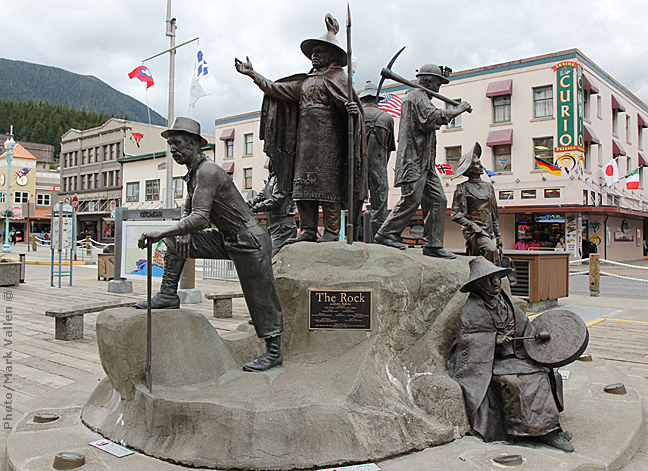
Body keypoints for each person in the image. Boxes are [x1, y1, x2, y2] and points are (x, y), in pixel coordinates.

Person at [135, 117, 284, 372]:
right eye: (170, 144)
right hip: (227, 238)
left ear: (193, 144)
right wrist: (178, 233)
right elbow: (188, 210)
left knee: (260, 298)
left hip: (249, 240)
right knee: (174, 239)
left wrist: (161, 232)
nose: (172, 149)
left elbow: (201, 217)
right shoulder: (193, 173)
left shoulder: (209, 171)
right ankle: (168, 295)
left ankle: (273, 352)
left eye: (177, 144)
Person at [235, 13, 366, 244]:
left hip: (329, 143)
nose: (314, 55)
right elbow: (275, 89)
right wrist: (253, 74)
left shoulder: (340, 78)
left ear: (333, 55)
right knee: (303, 189)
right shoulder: (305, 81)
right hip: (305, 145)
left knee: (328, 188)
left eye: (320, 51)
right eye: (313, 51)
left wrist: (352, 113)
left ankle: (332, 232)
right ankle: (307, 229)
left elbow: (350, 111)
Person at [447, 256, 573, 452]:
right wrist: (492, 340)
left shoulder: (505, 301)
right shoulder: (472, 309)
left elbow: (524, 326)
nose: (495, 282)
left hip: (516, 357)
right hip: (491, 362)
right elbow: (463, 341)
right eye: (489, 279)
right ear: (479, 285)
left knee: (542, 372)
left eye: (497, 277)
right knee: (516, 382)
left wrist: (535, 336)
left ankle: (550, 430)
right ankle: (530, 431)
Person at [374, 63, 471, 258]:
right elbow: (431, 119)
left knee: (438, 200)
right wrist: (457, 110)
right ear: (427, 81)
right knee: (411, 198)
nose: (437, 89)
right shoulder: (416, 96)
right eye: (437, 84)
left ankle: (433, 245)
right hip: (413, 161)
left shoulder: (421, 97)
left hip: (426, 163)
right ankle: (386, 234)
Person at [451, 142, 501, 265]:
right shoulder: (462, 188)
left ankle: (489, 281)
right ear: (469, 169)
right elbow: (456, 215)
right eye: (477, 164)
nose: (481, 166)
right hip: (475, 233)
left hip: (489, 232)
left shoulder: (489, 187)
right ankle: (492, 280)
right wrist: (473, 226)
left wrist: (498, 236)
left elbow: (494, 215)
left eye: (480, 162)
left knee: (493, 256)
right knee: (490, 250)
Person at [359, 82, 396, 241]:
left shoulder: (355, 116)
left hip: (356, 167)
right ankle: (378, 240)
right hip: (378, 167)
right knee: (379, 206)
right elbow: (389, 148)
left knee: (354, 204)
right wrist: (381, 167)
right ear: (377, 99)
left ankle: (351, 239)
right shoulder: (387, 117)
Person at [248, 164, 298, 257]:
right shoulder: (273, 178)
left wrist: (255, 208)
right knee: (272, 259)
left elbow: (277, 200)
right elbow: (262, 195)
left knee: (273, 259)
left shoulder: (284, 178)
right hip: (275, 225)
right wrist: (249, 203)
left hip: (283, 226)